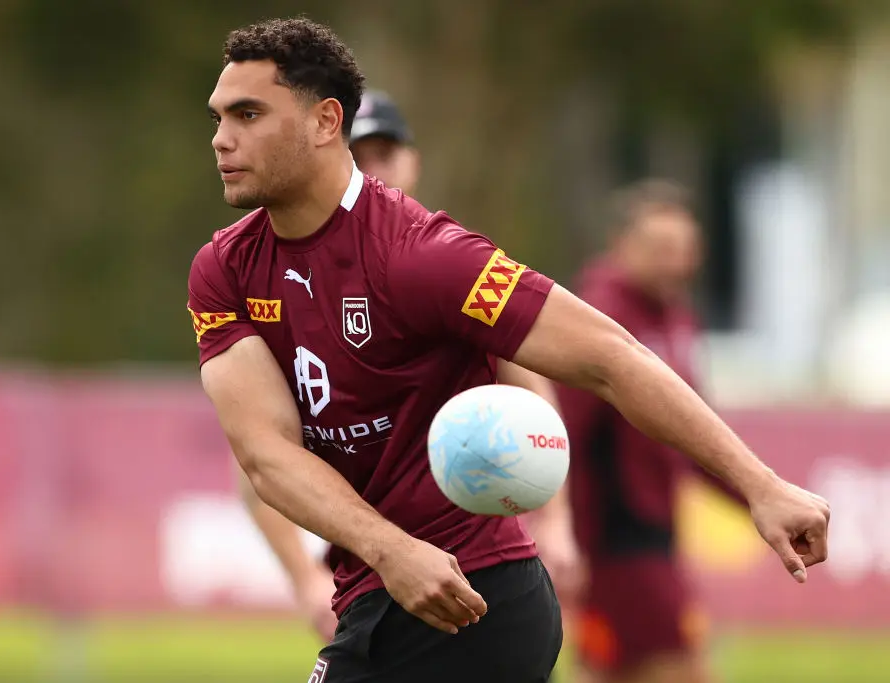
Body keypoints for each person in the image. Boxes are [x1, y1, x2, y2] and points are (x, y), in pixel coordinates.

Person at [188, 17, 830, 683]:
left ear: (325, 122)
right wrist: (387, 550)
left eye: (248, 114)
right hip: (382, 588)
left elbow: (610, 357)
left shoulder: (422, 256)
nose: (221, 138)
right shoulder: (224, 269)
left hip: (481, 598)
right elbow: (266, 455)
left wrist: (761, 484)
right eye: (219, 117)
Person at [233, 88, 582, 646]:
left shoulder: (445, 263)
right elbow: (261, 459)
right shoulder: (269, 279)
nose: (374, 169)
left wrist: (557, 521)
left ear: (413, 161)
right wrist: (304, 579)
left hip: (482, 568)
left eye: (386, 153)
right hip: (369, 579)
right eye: (360, 153)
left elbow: (531, 398)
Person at [561, 181, 746, 683]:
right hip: (615, 537)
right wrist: (559, 533)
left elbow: (695, 432)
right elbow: (562, 433)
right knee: (683, 667)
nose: (675, 263)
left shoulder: (679, 318)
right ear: (621, 247)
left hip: (654, 532)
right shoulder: (597, 318)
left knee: (614, 669)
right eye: (660, 250)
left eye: (685, 250)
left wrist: (756, 496)